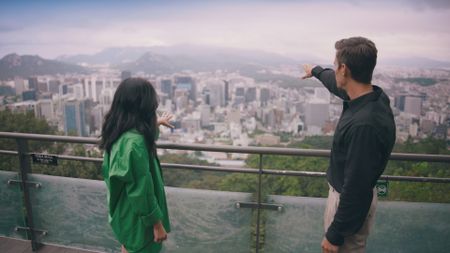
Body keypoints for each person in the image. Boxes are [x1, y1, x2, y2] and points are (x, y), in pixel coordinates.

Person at [302, 37, 396, 253]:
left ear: (344, 69)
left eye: (335, 65)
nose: (334, 70)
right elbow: (337, 86)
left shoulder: (364, 126)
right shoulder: (374, 97)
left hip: (346, 203)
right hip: (350, 200)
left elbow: (356, 186)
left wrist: (335, 235)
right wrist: (316, 71)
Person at [100, 78, 174, 253]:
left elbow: (136, 141)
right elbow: (141, 189)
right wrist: (156, 223)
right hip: (140, 218)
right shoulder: (135, 144)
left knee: (129, 246)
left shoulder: (117, 131)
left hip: (124, 209)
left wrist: (155, 124)